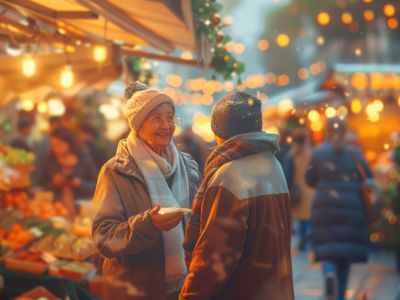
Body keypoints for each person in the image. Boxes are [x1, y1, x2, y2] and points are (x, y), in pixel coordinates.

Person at [92, 82, 201, 300]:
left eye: (170, 117)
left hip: (179, 288)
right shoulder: (115, 172)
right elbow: (103, 238)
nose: (166, 125)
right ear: (138, 125)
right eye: (157, 118)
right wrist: (148, 224)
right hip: (132, 289)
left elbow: (197, 221)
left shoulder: (188, 166)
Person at [180, 92, 294, 300]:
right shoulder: (272, 164)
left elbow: (216, 256)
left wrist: (190, 295)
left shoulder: (231, 174)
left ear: (219, 131)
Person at [305, 117, 373, 300]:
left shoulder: (318, 153)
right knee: (345, 254)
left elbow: (309, 179)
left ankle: (329, 275)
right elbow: (368, 176)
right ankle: (340, 294)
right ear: (345, 131)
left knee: (328, 251)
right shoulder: (355, 153)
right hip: (351, 206)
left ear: (327, 131)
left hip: (325, 205)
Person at [38, 127, 97, 216]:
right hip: (55, 211)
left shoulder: (84, 160)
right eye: (53, 145)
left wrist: (80, 184)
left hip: (81, 211)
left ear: (69, 144)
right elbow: (41, 186)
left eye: (58, 145)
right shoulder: (50, 161)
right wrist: (53, 183)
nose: (55, 149)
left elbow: (97, 186)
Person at [282, 128, 315, 251]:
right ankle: (308, 239)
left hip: (298, 192)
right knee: (309, 217)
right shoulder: (311, 153)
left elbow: (287, 175)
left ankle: (303, 241)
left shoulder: (291, 155)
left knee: (300, 219)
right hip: (311, 190)